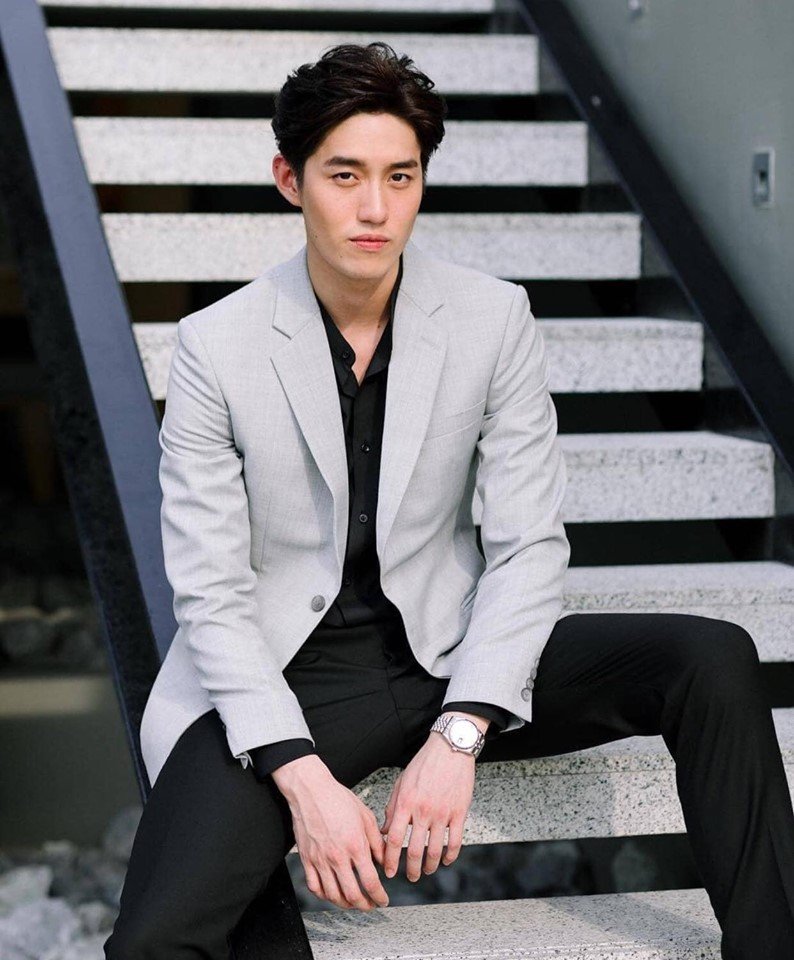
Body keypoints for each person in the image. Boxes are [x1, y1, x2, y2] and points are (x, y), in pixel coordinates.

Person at [104, 41, 794, 960]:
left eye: (400, 176)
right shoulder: (215, 346)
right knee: (155, 940)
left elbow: (529, 546)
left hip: (447, 644)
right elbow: (211, 594)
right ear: (289, 180)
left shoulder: (491, 318)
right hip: (293, 669)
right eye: (344, 175)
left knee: (712, 655)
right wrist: (302, 779)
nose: (376, 208)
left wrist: (461, 731)